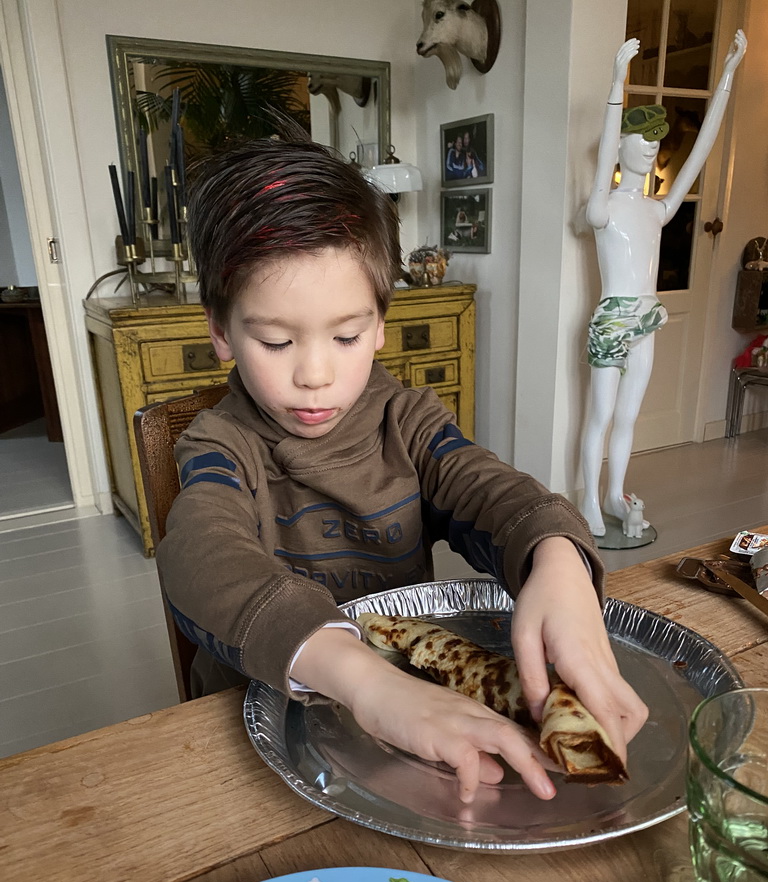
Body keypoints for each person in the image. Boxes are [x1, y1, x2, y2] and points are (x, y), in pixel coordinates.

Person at [157, 132, 647, 804]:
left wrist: (558, 562)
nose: (315, 374)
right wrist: (365, 681)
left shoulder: (407, 424)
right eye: (276, 340)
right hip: (265, 735)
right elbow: (198, 553)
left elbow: (489, 491)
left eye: (347, 335)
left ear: (381, 322)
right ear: (220, 331)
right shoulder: (220, 446)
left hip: (410, 730)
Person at [579, 31, 747, 538]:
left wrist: (726, 80)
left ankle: (614, 491)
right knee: (601, 415)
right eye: (642, 141)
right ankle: (588, 494)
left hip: (648, 316)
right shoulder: (602, 208)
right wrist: (616, 85)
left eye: (655, 143)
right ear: (622, 147)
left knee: (628, 416)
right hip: (612, 320)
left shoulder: (659, 208)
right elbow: (606, 148)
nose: (651, 149)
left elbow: (701, 151)